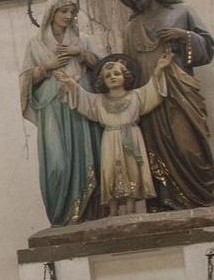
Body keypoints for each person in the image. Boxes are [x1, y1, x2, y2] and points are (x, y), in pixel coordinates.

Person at [117, 0, 214, 210]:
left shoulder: (182, 12)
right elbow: (129, 66)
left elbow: (208, 46)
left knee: (188, 148)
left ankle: (199, 199)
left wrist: (183, 36)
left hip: (179, 92)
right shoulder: (132, 27)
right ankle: (166, 203)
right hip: (149, 98)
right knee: (155, 151)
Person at [19, 0, 102, 226]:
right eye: (64, 11)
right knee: (57, 164)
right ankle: (61, 216)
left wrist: (81, 54)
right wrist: (47, 66)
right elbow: (25, 80)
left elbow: (103, 69)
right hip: (52, 107)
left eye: (72, 12)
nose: (68, 16)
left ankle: (90, 216)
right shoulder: (35, 44)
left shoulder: (83, 39)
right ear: (51, 13)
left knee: (88, 159)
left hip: (81, 105)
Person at [61, 54, 166, 218]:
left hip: (131, 136)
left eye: (116, 74)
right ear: (103, 80)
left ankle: (131, 208)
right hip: (110, 138)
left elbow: (152, 89)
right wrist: (71, 84)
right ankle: (113, 210)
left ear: (125, 76)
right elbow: (83, 98)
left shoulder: (136, 95)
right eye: (108, 76)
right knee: (110, 171)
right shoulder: (98, 100)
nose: (112, 77)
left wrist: (159, 69)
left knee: (132, 169)